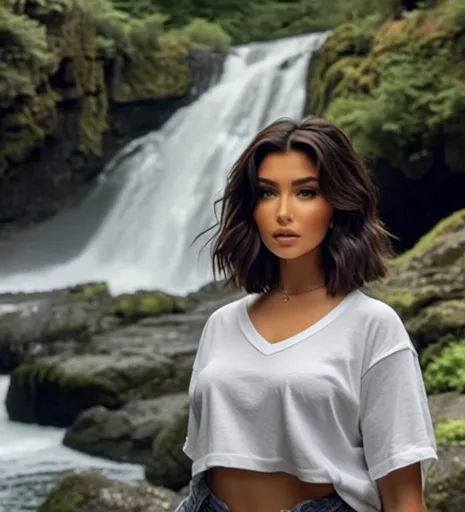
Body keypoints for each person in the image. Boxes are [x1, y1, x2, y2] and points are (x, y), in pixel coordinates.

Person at [177, 117, 437, 512]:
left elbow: (403, 497)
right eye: (267, 193)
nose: (283, 212)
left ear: (335, 205)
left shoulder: (373, 327)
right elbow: (208, 459)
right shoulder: (221, 325)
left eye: (306, 192)